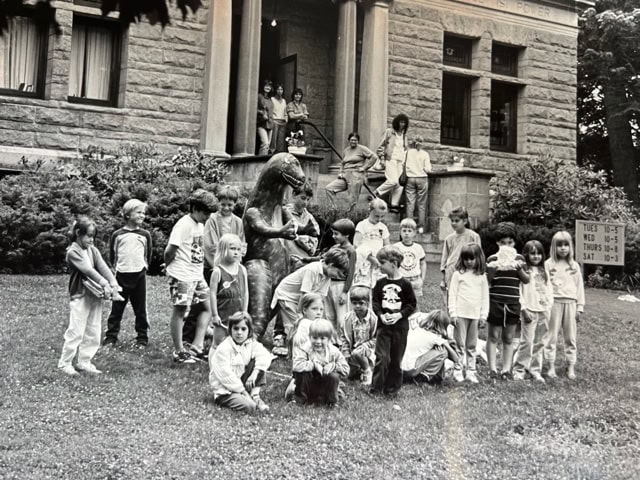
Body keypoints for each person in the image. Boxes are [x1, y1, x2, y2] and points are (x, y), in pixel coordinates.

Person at [58, 217, 123, 375]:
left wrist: (113, 283)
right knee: (76, 330)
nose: (91, 239)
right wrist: (105, 283)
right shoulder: (73, 251)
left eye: (93, 236)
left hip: (95, 295)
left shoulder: (92, 249)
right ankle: (65, 363)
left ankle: (84, 361)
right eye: (88, 236)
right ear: (78, 234)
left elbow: (102, 266)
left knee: (93, 330)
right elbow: (88, 270)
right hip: (80, 295)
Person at [165, 189, 217, 364]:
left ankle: (196, 346)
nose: (207, 217)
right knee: (180, 310)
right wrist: (168, 265)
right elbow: (170, 250)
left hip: (196, 275)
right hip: (182, 276)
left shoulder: (199, 225)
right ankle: (179, 351)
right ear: (194, 208)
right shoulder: (184, 224)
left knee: (207, 307)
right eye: (205, 213)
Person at [270, 249, 350, 357]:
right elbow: (305, 295)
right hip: (287, 296)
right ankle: (294, 351)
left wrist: (320, 318)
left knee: (309, 324)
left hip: (300, 299)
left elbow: (320, 298)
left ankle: (305, 350)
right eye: (337, 272)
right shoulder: (313, 269)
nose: (337, 276)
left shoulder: (327, 276)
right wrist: (301, 315)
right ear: (331, 265)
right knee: (296, 325)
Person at [103, 199, 153, 348]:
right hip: (121, 276)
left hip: (139, 276)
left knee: (140, 309)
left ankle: (142, 338)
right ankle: (111, 337)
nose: (142, 215)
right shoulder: (118, 235)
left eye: (143, 213)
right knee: (116, 309)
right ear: (128, 214)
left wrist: (143, 268)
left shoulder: (145, 235)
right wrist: (116, 269)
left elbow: (147, 254)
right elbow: (113, 255)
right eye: (138, 212)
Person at [370, 246, 417, 396]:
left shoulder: (405, 284)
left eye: (382, 263)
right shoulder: (380, 283)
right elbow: (376, 302)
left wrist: (399, 315)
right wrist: (380, 315)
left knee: (396, 359)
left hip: (400, 328)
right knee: (382, 357)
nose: (380, 266)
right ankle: (376, 389)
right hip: (384, 327)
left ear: (393, 263)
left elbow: (411, 304)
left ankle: (391, 389)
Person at [485, 222, 530, 380]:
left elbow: (526, 280)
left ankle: (506, 369)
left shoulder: (519, 259)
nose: (506, 246)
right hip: (496, 301)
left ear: (514, 243)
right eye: (503, 242)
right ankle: (492, 369)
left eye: (509, 242)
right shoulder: (492, 259)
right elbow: (488, 282)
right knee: (493, 336)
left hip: (512, 302)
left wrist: (519, 269)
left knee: (509, 337)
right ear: (498, 243)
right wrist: (491, 270)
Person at [209, 312, 271, 413]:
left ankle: (255, 396)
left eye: (243, 329)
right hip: (226, 389)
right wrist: (244, 392)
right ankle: (246, 399)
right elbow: (226, 376)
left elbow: (265, 356)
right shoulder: (224, 348)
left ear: (249, 330)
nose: (239, 333)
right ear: (230, 330)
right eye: (236, 328)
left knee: (259, 362)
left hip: (241, 382)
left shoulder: (251, 343)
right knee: (250, 407)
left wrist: (255, 373)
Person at [544, 231, 585, 380]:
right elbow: (544, 285)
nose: (563, 248)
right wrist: (545, 304)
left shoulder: (574, 266)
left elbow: (579, 287)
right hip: (553, 302)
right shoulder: (548, 264)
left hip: (570, 303)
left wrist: (580, 307)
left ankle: (571, 366)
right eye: (559, 245)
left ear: (570, 246)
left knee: (570, 337)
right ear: (554, 247)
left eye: (566, 245)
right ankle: (550, 366)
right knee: (551, 336)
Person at [447, 243, 489, 384]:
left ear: (478, 259)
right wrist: (453, 313)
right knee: (459, 344)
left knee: (471, 345)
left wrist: (483, 315)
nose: (469, 262)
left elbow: (485, 297)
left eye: (472, 259)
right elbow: (452, 295)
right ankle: (458, 370)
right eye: (466, 259)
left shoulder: (482, 277)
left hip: (475, 315)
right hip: (460, 315)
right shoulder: (458, 275)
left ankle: (471, 371)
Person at [513, 240, 553, 382]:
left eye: (539, 254)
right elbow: (519, 291)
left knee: (540, 342)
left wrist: (549, 307)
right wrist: (523, 309)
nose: (536, 257)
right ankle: (519, 369)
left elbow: (549, 290)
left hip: (544, 310)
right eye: (532, 254)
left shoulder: (544, 271)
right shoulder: (524, 271)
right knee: (527, 342)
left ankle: (535, 370)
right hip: (529, 310)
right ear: (526, 255)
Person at [292, 319, 350, 407]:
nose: (318, 342)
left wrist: (333, 366)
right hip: (309, 384)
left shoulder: (334, 351)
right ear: (309, 337)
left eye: (322, 338)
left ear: (329, 339)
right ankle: (300, 400)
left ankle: (331, 402)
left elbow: (346, 369)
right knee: (301, 373)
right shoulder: (305, 349)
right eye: (315, 338)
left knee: (334, 376)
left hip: (325, 384)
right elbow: (296, 366)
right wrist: (313, 365)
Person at [209, 234, 248, 350]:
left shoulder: (242, 270)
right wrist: (215, 315)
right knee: (218, 344)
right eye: (232, 249)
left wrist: (245, 312)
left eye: (238, 249)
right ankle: (214, 366)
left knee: (237, 343)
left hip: (238, 314)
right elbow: (212, 294)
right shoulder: (217, 271)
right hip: (223, 314)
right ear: (223, 250)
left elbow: (245, 292)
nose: (236, 252)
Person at [284, 292, 325, 401]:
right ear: (304, 310)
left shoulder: (307, 323)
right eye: (314, 309)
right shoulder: (307, 325)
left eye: (321, 309)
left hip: (305, 366)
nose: (318, 313)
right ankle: (297, 388)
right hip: (305, 367)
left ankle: (297, 384)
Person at [401, 310, 461, 384]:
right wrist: (446, 343)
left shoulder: (416, 329)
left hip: (399, 369)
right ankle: (422, 378)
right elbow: (456, 359)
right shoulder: (435, 338)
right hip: (409, 371)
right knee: (443, 352)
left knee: (435, 349)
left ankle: (431, 377)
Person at [325, 132, 379, 211]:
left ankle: (352, 215)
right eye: (352, 140)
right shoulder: (346, 150)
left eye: (355, 140)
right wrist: (340, 172)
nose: (353, 142)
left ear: (358, 141)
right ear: (348, 140)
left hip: (356, 174)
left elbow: (374, 157)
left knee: (352, 198)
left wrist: (364, 168)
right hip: (345, 175)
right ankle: (333, 210)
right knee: (329, 188)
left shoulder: (362, 149)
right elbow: (342, 163)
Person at [203, 185, 244, 284]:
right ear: (218, 203)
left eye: (229, 205)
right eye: (223, 204)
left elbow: (241, 244)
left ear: (235, 204)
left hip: (233, 267)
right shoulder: (212, 219)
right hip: (214, 266)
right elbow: (210, 245)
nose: (226, 208)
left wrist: (235, 262)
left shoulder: (238, 222)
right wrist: (220, 266)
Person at [440, 206, 482, 301]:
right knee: (452, 298)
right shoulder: (449, 238)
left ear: (465, 221)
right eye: (452, 221)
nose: (454, 223)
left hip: (468, 269)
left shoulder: (473, 236)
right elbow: (444, 260)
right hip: (451, 271)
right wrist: (443, 279)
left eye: (457, 220)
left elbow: (478, 255)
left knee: (466, 297)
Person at [339, 286, 377, 385]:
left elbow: (377, 338)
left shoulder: (373, 319)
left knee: (358, 353)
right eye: (354, 303)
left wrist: (365, 346)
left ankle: (367, 370)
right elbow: (344, 337)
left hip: (369, 350)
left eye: (361, 303)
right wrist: (346, 352)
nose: (357, 306)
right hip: (352, 350)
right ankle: (356, 368)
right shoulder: (348, 318)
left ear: (368, 303)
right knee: (345, 375)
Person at [374, 113, 409, 213]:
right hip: (390, 159)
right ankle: (376, 193)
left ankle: (394, 205)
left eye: (404, 123)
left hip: (400, 162)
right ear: (397, 122)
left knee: (398, 185)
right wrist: (381, 159)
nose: (402, 124)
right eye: (401, 122)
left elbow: (405, 150)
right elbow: (381, 146)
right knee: (393, 181)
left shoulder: (404, 136)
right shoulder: (389, 132)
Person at [353, 198, 390, 288]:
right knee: (364, 285)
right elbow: (356, 244)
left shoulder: (383, 227)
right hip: (365, 259)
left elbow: (387, 246)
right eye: (376, 216)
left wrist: (385, 259)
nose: (379, 219)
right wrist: (370, 257)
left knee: (378, 285)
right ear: (370, 211)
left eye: (382, 216)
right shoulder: (362, 225)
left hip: (379, 260)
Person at [284, 182, 320, 271]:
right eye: (303, 198)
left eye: (308, 199)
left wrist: (311, 248)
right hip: (289, 257)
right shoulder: (285, 212)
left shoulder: (309, 217)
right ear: (294, 195)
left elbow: (315, 236)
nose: (305, 202)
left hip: (305, 257)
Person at [404, 136, 432, 233]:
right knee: (422, 204)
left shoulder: (408, 153)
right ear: (422, 143)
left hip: (410, 178)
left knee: (410, 203)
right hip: (422, 178)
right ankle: (420, 227)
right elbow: (428, 169)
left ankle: (409, 227)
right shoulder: (425, 154)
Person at [393, 218, 427, 298]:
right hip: (401, 280)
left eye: (409, 231)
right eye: (404, 231)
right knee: (400, 303)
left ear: (414, 233)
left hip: (415, 279)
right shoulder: (396, 247)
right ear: (400, 232)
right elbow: (392, 264)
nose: (406, 233)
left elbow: (423, 263)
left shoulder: (418, 248)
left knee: (415, 304)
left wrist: (422, 279)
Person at [257, 80, 274, 155]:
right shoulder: (259, 96)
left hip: (270, 124)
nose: (268, 87)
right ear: (262, 86)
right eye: (266, 85)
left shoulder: (270, 99)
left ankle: (264, 163)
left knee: (267, 146)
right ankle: (259, 163)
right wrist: (261, 113)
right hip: (261, 123)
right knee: (265, 144)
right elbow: (253, 108)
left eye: (269, 86)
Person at [270, 84, 288, 153]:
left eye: (281, 89)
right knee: (273, 139)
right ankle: (271, 153)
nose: (280, 91)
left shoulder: (284, 101)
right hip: (275, 120)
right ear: (275, 90)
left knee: (281, 141)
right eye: (278, 89)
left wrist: (286, 119)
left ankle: (279, 154)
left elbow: (285, 111)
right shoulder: (272, 99)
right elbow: (270, 110)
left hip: (282, 121)